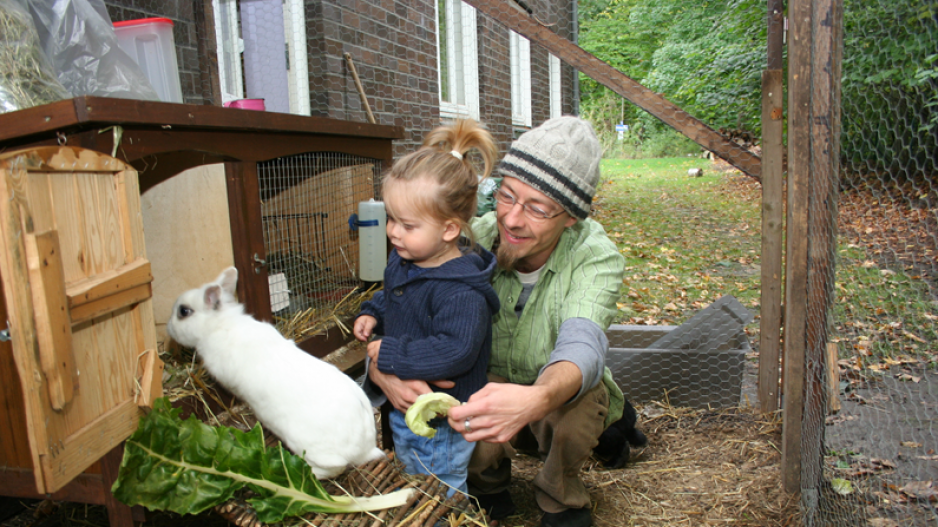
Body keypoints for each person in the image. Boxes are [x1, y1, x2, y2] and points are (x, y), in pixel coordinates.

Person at [367, 116, 626, 527]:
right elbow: (405, 311)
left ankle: (562, 494)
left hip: (549, 389)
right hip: (488, 382)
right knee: (467, 425)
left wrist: (537, 399)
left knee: (575, 418)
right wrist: (382, 369)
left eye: (537, 208)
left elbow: (583, 343)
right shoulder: (468, 237)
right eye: (506, 196)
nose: (511, 219)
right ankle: (490, 483)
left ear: (571, 218)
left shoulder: (596, 257)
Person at [353, 119, 501, 497]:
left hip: (442, 421)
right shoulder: (407, 259)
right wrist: (373, 310)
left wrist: (390, 353)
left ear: (450, 230)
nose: (393, 232)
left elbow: (455, 350)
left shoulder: (460, 291)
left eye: (407, 224)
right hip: (405, 408)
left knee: (438, 490)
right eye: (391, 219)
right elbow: (399, 298)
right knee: (413, 478)